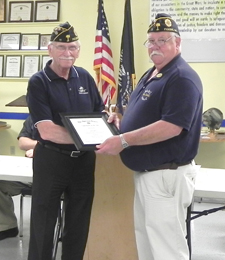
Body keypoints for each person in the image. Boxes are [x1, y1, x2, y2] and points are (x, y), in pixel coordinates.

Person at [96, 13, 203, 260]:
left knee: (166, 248)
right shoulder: (152, 74)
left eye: (162, 40)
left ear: (178, 43)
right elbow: (145, 116)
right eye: (151, 41)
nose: (155, 46)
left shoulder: (182, 78)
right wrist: (120, 124)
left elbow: (171, 127)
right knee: (146, 241)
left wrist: (122, 140)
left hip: (166, 176)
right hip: (148, 174)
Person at [26, 22, 105, 260]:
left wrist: (107, 124)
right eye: (61, 47)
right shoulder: (39, 81)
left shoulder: (85, 78)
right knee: (43, 222)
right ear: (50, 49)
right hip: (51, 159)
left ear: (78, 51)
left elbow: (98, 113)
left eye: (72, 47)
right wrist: (88, 137)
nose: (67, 53)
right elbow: (48, 131)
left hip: (83, 161)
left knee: (79, 222)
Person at [0, 115, 36, 241]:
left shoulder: (66, 117)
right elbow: (23, 143)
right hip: (29, 175)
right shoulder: (34, 117)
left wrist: (43, 149)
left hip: (57, 177)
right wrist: (40, 146)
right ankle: (7, 227)